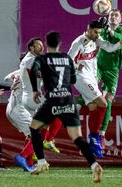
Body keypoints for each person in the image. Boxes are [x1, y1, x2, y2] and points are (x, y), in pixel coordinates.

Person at [29, 31, 103, 183]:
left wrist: (36, 90)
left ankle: (42, 162)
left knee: (34, 128)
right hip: (69, 100)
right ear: (59, 44)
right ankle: (94, 164)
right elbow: (74, 78)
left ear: (46, 42)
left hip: (52, 100)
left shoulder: (42, 59)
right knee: (77, 138)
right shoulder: (67, 58)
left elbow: (33, 71)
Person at [68, 19, 122, 158]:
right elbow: (68, 60)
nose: (97, 35)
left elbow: (109, 47)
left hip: (90, 77)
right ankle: (94, 137)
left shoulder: (96, 39)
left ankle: (91, 143)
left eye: (99, 33)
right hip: (81, 78)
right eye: (96, 32)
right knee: (103, 103)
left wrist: (121, 42)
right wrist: (76, 66)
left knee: (93, 107)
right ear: (88, 29)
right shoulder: (78, 43)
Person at [19, 37, 62, 154]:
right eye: (38, 45)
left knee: (38, 129)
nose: (41, 47)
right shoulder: (31, 60)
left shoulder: (29, 60)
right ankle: (48, 140)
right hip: (35, 98)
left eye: (41, 44)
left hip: (28, 98)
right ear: (31, 48)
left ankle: (27, 157)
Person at [97, 9, 122, 148]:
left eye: (116, 16)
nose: (113, 17)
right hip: (98, 66)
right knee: (90, 90)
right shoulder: (102, 29)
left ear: (120, 20)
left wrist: (109, 30)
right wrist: (97, 27)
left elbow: (118, 39)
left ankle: (101, 134)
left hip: (113, 70)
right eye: (111, 15)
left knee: (108, 100)